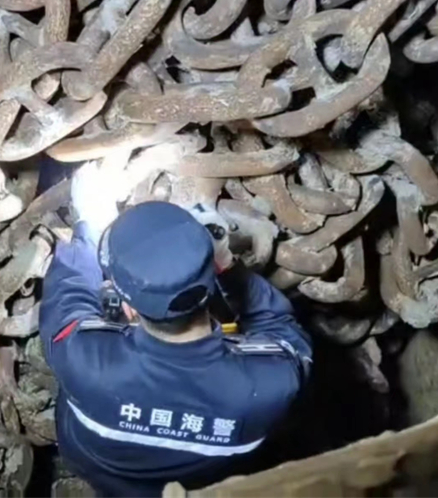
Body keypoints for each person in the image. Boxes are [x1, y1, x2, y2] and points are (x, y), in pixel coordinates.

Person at [39, 161, 313, 497]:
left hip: (97, 468)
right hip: (207, 481)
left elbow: (69, 294)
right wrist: (228, 268)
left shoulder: (83, 359)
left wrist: (89, 221)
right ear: (210, 284)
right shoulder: (273, 383)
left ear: (128, 307)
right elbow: (280, 327)